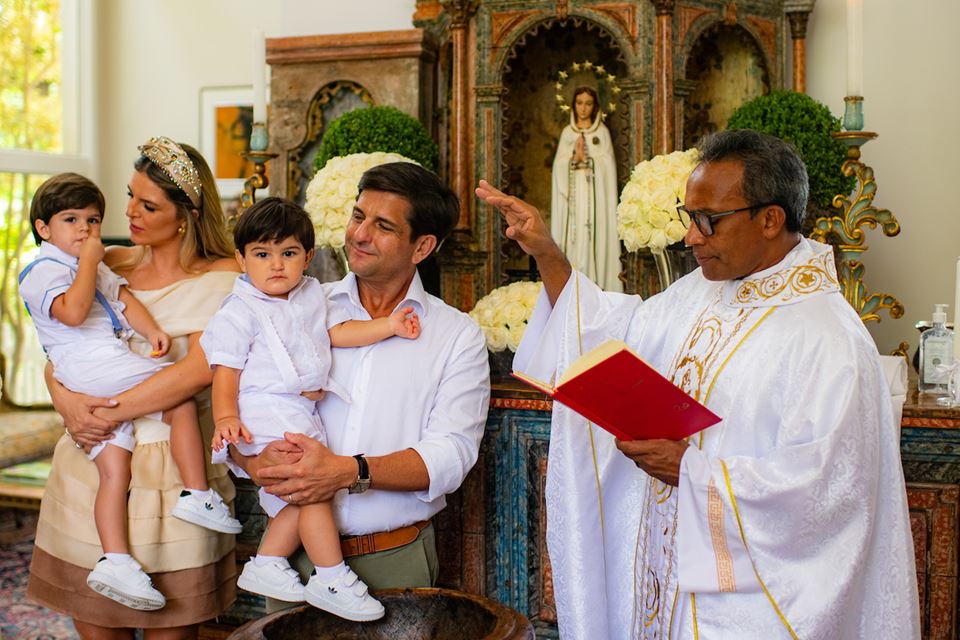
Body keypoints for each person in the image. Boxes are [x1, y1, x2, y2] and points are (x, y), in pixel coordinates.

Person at [477, 129, 920, 639]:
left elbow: (828, 493)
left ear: (770, 219)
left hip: (738, 607)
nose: (691, 237)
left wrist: (694, 472)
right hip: (660, 586)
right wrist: (549, 256)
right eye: (689, 218)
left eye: (708, 220)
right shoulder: (699, 293)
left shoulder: (829, 339)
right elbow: (617, 338)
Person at [230, 162, 489, 607]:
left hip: (396, 558)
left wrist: (351, 471)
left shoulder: (456, 335)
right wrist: (256, 465)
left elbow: (451, 455)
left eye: (382, 225)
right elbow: (236, 403)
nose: (359, 234)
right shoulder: (291, 308)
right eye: (357, 216)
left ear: (422, 246)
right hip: (291, 560)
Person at [28, 136, 241, 639]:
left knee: (174, 627)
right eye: (129, 197)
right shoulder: (109, 264)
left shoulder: (228, 279)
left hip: (175, 475)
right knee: (95, 624)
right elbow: (59, 351)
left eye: (148, 205)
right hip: (92, 463)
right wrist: (69, 406)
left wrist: (101, 412)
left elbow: (196, 372)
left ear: (187, 213)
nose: (128, 213)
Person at [204, 197, 420, 621]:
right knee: (313, 485)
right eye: (262, 255)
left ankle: (267, 560)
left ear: (308, 256)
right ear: (240, 259)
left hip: (300, 413)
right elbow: (224, 372)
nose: (276, 265)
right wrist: (226, 417)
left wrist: (389, 326)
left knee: (301, 495)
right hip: (265, 409)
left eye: (288, 253)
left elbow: (337, 333)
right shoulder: (238, 311)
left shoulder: (309, 296)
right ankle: (331, 574)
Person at [550, 85, 622, 292]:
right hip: (573, 198)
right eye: (579, 103)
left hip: (595, 197)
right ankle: (571, 286)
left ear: (595, 106)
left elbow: (609, 166)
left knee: (593, 234)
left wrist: (591, 161)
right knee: (575, 235)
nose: (583, 109)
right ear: (573, 106)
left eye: (588, 104)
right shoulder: (567, 134)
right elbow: (558, 167)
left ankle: (596, 283)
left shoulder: (602, 133)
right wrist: (574, 159)